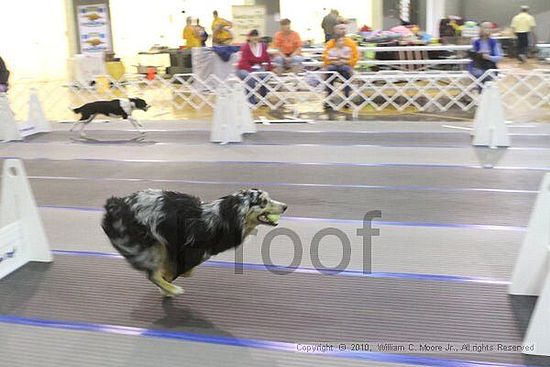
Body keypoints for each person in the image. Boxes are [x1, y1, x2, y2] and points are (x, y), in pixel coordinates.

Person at [322, 24, 358, 109]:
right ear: (335, 31)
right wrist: (334, 62)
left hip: (346, 66)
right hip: (333, 65)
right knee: (329, 74)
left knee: (347, 74)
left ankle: (347, 99)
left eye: (344, 29)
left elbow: (355, 57)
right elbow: (325, 57)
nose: (343, 30)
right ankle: (328, 99)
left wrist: (346, 62)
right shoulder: (330, 43)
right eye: (341, 29)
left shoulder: (351, 43)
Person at [236, 29, 272, 105]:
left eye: (256, 36)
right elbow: (243, 63)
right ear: (249, 37)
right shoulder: (245, 47)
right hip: (243, 69)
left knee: (265, 76)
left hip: (256, 69)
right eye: (253, 36)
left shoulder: (263, 46)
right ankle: (250, 101)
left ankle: (263, 99)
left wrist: (269, 69)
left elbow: (267, 58)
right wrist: (253, 71)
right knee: (250, 78)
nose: (254, 38)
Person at [468, 22, 503, 87]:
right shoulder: (475, 42)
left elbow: (499, 58)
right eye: (485, 27)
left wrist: (488, 57)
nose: (487, 30)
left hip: (489, 67)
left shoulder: (494, 42)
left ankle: (482, 91)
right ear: (480, 29)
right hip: (477, 66)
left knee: (484, 77)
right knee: (478, 74)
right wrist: (479, 54)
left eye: (489, 28)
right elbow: (472, 55)